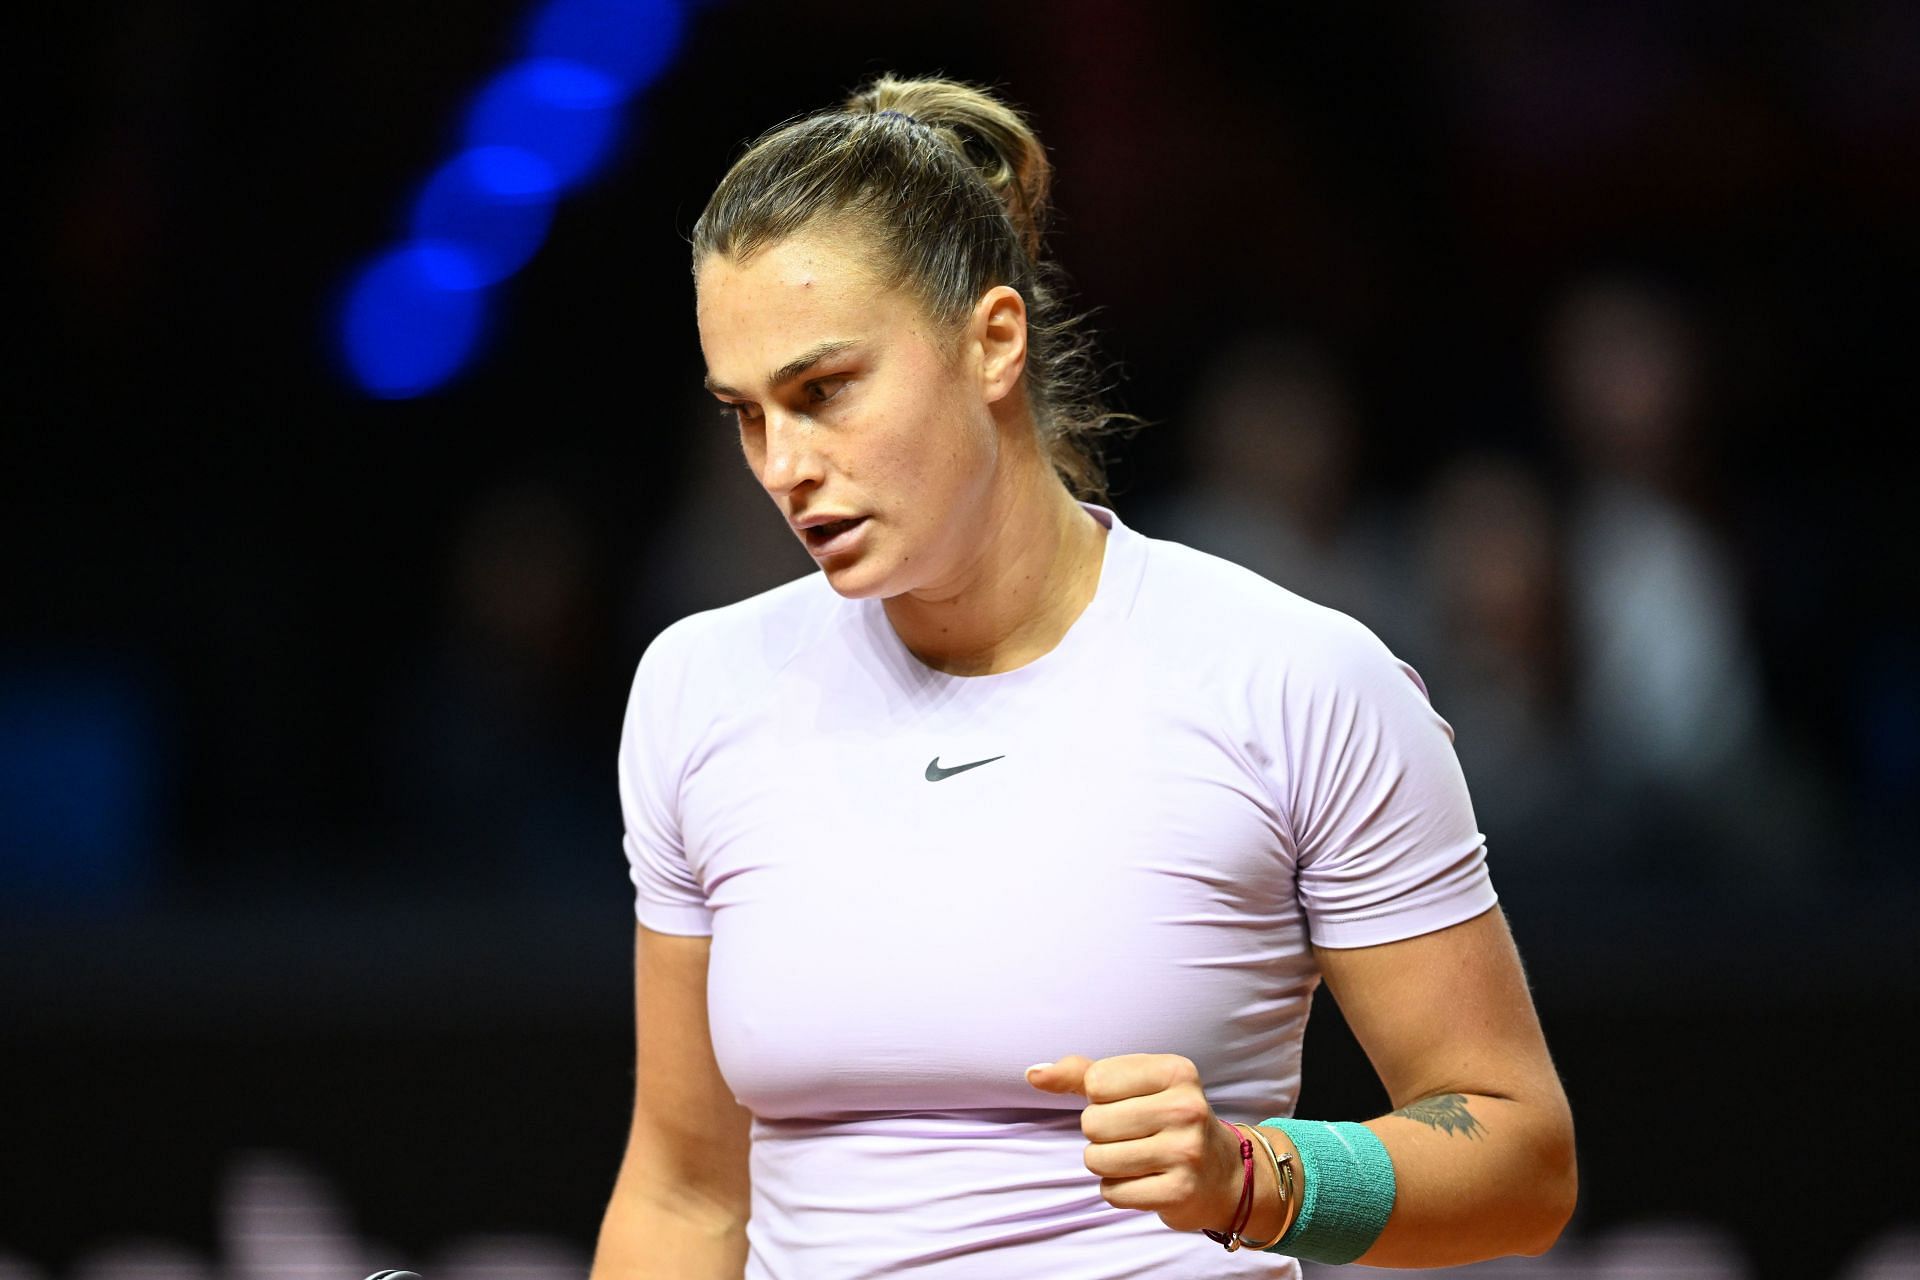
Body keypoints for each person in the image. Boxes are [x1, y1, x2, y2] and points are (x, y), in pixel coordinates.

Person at [592, 76, 1576, 1279]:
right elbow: (685, 1194)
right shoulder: (698, 686)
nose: (784, 465)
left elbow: (1521, 1160)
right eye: (746, 414)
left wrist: (1258, 1178)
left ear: (992, 340)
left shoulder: (1296, 679)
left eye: (825, 390)